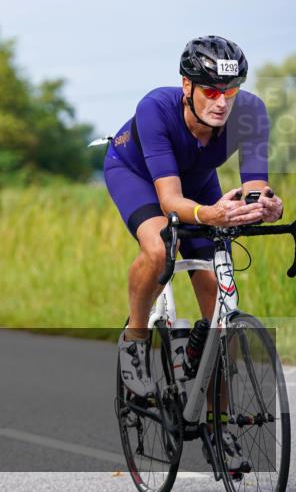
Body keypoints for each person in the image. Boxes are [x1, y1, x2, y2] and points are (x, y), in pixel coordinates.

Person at [104, 35, 282, 471]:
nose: (223, 103)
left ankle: (219, 427)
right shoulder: (156, 108)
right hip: (140, 177)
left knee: (220, 313)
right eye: (211, 92)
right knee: (163, 247)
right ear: (188, 86)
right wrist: (211, 214)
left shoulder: (251, 112)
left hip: (198, 182)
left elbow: (255, 183)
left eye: (231, 91)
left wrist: (267, 205)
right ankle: (136, 339)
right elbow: (169, 201)